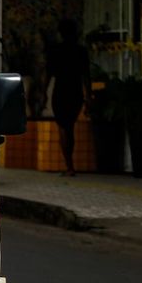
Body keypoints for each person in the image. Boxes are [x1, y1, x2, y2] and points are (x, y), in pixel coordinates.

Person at [45, 18, 91, 176]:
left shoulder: (56, 51)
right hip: (75, 90)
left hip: (61, 90)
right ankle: (70, 165)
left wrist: (44, 93)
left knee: (63, 127)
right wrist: (88, 97)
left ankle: (69, 165)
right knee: (69, 126)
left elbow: (49, 74)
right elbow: (86, 75)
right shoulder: (81, 51)